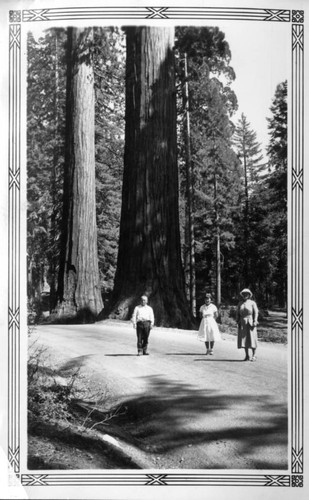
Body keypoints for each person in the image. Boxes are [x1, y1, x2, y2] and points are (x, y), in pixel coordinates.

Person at [236, 288, 259, 361]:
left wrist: (255, 321)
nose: (245, 295)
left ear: (249, 295)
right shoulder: (240, 303)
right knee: (244, 339)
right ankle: (247, 356)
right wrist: (238, 321)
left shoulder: (252, 303)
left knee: (252, 338)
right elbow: (237, 313)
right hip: (242, 322)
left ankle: (254, 355)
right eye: (244, 294)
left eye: (246, 294)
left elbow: (256, 312)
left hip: (250, 322)